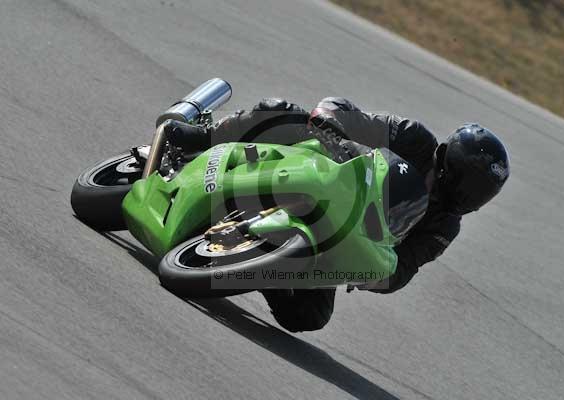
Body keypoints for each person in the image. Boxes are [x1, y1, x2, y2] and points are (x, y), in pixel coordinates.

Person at [163, 97, 510, 332]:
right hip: (321, 171)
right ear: (450, 162)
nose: (469, 198)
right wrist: (332, 129)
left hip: (340, 237)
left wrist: (367, 273)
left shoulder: (445, 225)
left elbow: (403, 269)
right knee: (280, 110)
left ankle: (262, 265)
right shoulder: (412, 137)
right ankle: (202, 138)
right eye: (470, 184)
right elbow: (337, 108)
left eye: (482, 193)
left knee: (309, 316)